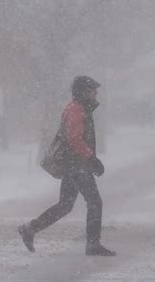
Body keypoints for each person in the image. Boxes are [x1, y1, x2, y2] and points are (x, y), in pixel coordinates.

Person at [18, 75, 115, 257]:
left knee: (65, 205)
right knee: (94, 202)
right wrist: (91, 159)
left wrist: (90, 159)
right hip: (76, 165)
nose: (96, 93)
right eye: (93, 89)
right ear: (84, 92)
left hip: (75, 164)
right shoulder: (76, 110)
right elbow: (73, 139)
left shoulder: (79, 108)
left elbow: (74, 139)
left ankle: (30, 228)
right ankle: (93, 244)